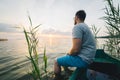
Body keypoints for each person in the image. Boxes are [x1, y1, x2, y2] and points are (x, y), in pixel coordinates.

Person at [53, 10, 96, 80]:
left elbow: (76, 50)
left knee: (56, 61)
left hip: (84, 60)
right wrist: (70, 53)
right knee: (67, 55)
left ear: (76, 17)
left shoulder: (77, 27)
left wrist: (69, 53)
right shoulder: (86, 27)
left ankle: (58, 78)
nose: (74, 19)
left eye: (74, 18)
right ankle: (68, 73)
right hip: (90, 59)